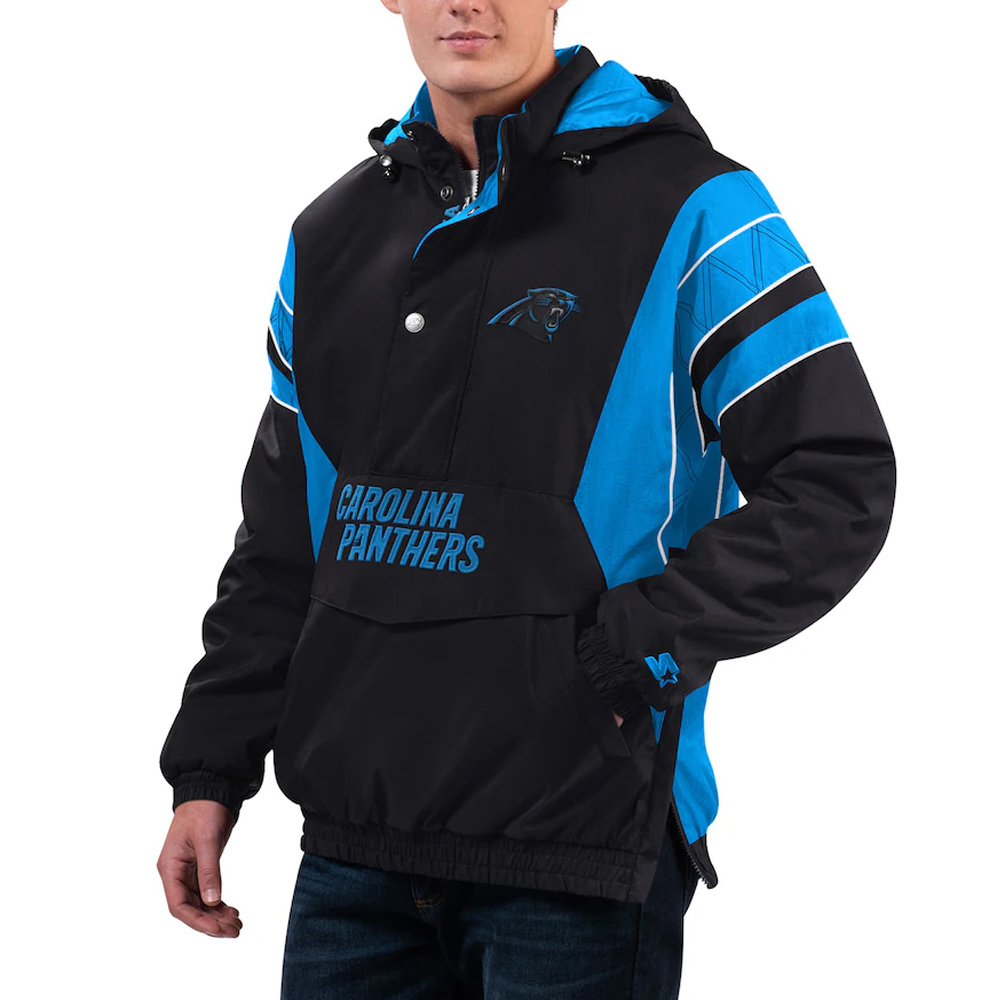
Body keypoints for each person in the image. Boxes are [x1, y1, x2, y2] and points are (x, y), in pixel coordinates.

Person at [157, 2, 897, 997]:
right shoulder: (328, 237)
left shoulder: (698, 208)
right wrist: (210, 767)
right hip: (354, 857)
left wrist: (635, 649)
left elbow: (836, 475)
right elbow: (285, 541)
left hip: (580, 847)